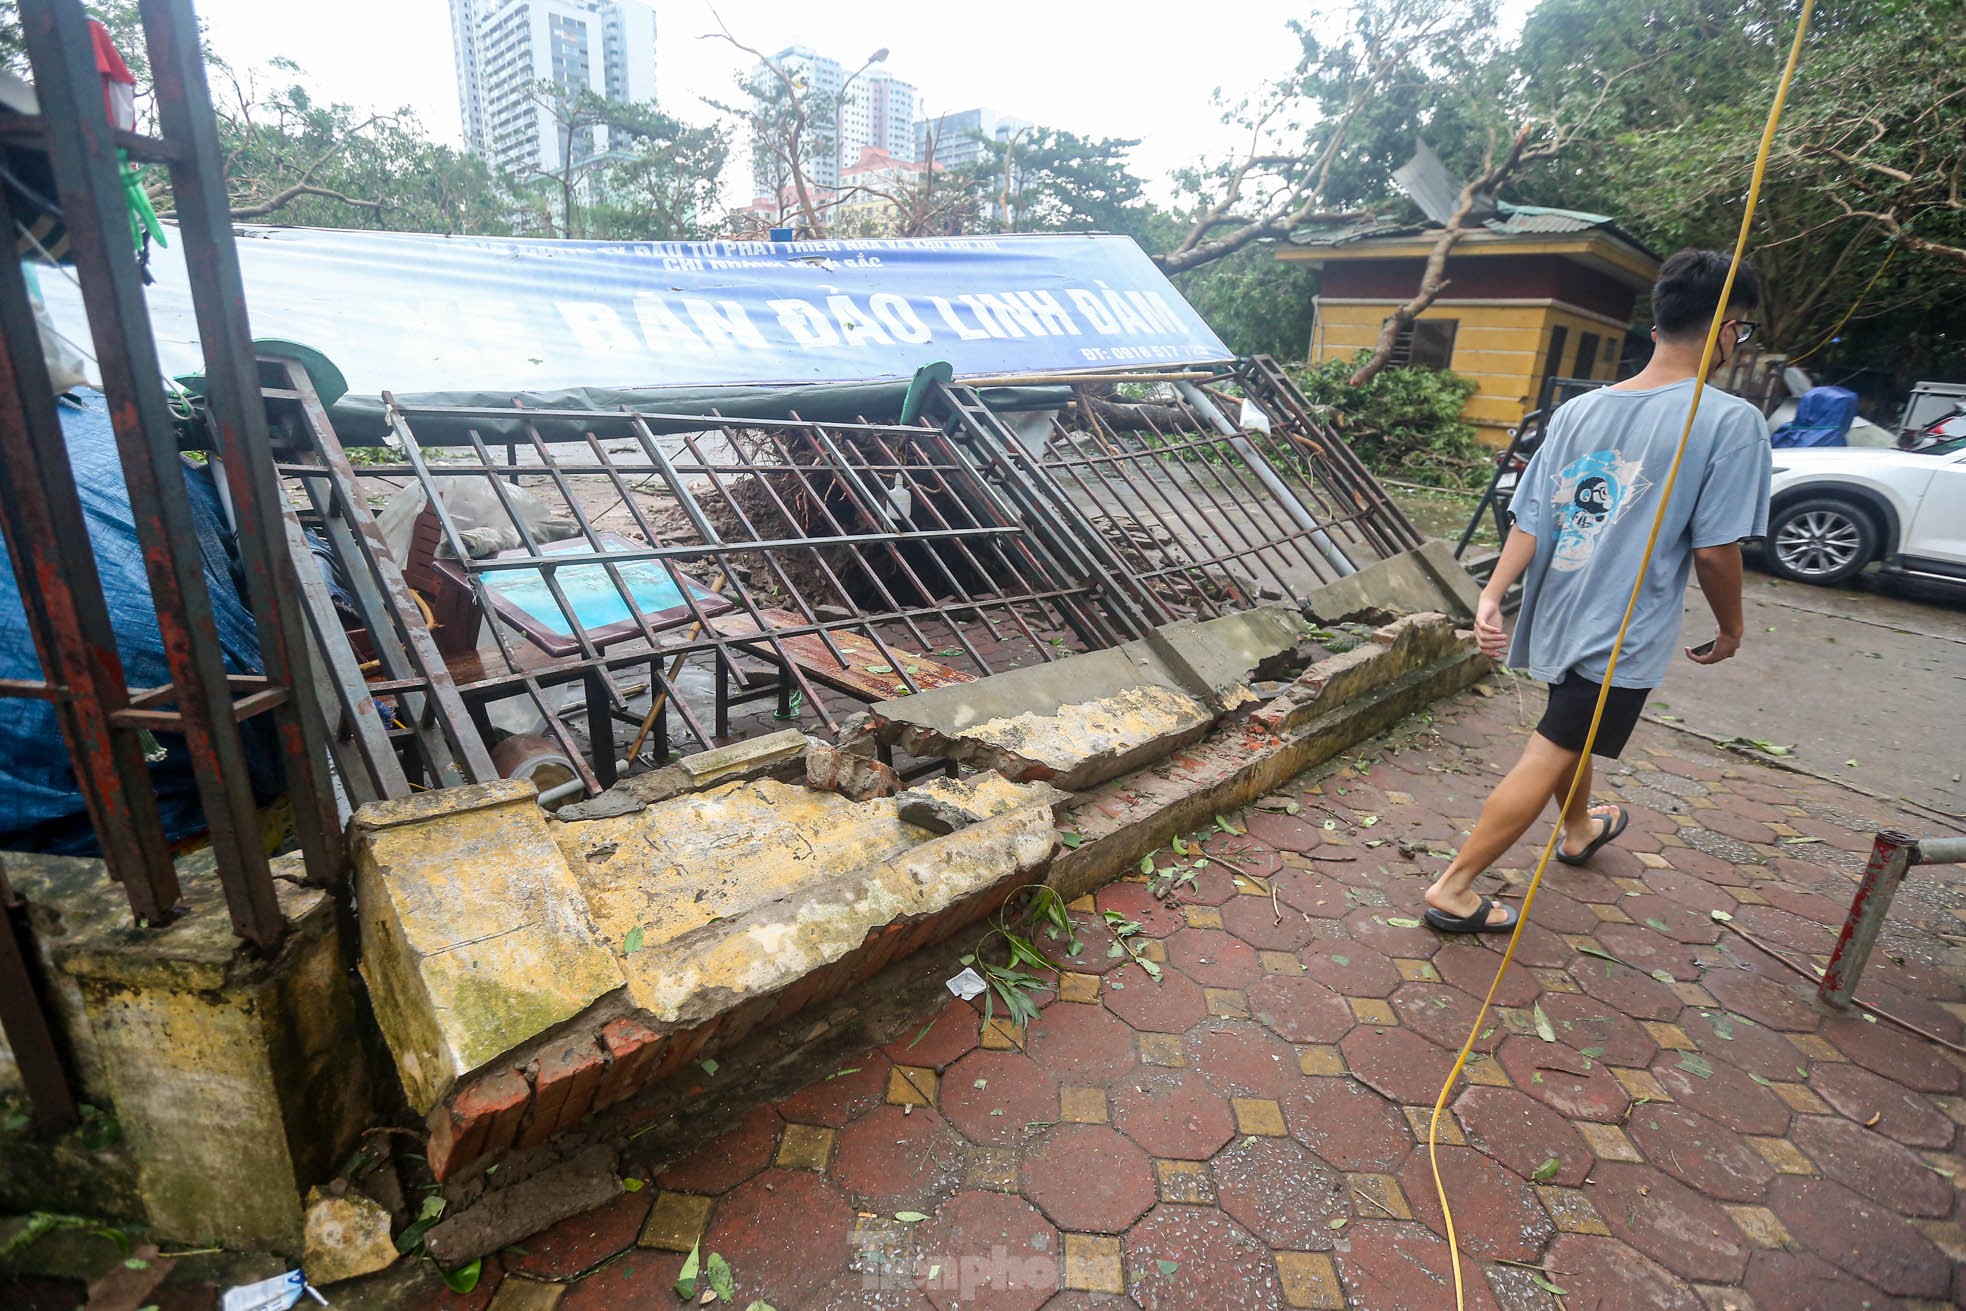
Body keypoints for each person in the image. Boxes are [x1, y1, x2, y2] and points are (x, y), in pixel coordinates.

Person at [1423, 249, 1773, 934]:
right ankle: (1454, 888)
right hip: (1621, 624)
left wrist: (1493, 592)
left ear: (1658, 324)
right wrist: (1732, 628)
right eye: (1744, 331)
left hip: (1558, 607)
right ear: (1727, 329)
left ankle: (1579, 827)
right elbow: (1714, 549)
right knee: (1555, 741)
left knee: (1568, 723)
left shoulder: (1579, 410)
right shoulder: (1731, 421)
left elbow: (1533, 514)